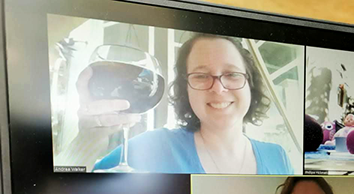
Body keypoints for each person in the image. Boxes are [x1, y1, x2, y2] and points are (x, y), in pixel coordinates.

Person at [59, 33, 294, 174]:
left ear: (249, 84)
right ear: (186, 89)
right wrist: (87, 140)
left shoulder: (279, 157)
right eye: (201, 75)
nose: (219, 88)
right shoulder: (153, 146)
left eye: (232, 74)